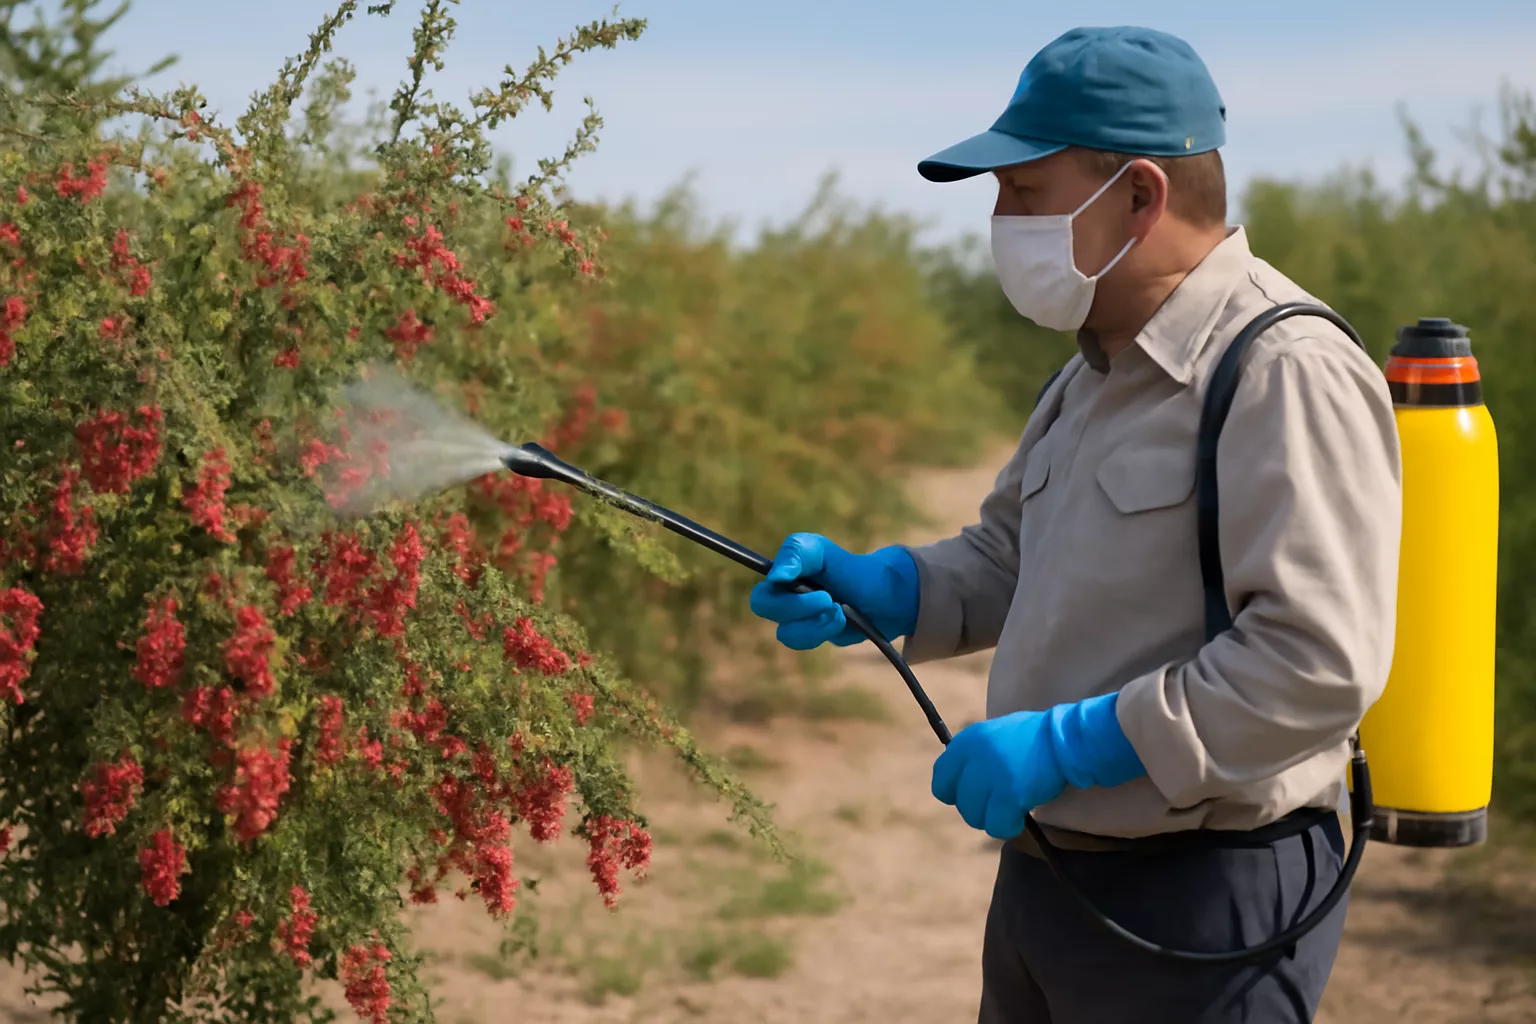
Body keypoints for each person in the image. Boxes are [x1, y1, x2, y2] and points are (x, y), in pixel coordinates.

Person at [747, 24, 1403, 1024]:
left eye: (1023, 194)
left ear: (1138, 197)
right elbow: (1011, 553)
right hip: (1054, 881)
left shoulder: (1281, 369)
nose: (1002, 221)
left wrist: (1079, 743)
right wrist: (891, 590)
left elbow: (1315, 658)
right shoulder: (1094, 369)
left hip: (1203, 898)